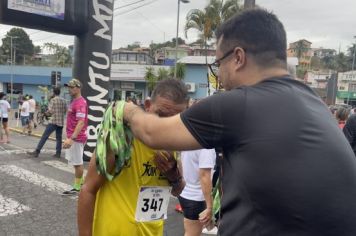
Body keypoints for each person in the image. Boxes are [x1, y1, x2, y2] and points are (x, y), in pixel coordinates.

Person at [122, 9, 356, 235]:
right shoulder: (315, 103)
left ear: (238, 58)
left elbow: (152, 133)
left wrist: (127, 109)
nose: (220, 76)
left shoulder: (238, 104)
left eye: (218, 64)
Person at [78, 79, 188, 236]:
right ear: (148, 105)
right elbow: (88, 189)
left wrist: (173, 175)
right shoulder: (121, 137)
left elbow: (178, 190)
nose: (166, 124)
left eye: (174, 119)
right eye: (161, 115)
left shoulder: (172, 142)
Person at [179, 148, 216, 236]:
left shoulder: (189, 141)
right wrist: (209, 207)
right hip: (196, 197)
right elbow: (204, 176)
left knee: (191, 230)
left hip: (186, 192)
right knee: (192, 233)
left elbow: (180, 162)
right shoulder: (206, 147)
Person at [61, 79, 88, 195]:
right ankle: (81, 183)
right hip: (73, 136)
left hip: (76, 138)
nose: (69, 89)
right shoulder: (74, 101)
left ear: (78, 88)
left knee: (78, 163)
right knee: (75, 162)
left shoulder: (80, 102)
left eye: (72, 87)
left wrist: (72, 138)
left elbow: (81, 122)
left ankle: (77, 188)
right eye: (69, 87)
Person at [27, 87, 67, 158]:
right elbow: (65, 111)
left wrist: (45, 114)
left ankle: (37, 151)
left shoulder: (53, 100)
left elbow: (50, 111)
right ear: (59, 92)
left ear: (54, 93)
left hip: (53, 121)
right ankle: (58, 153)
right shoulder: (64, 100)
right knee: (59, 138)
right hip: (60, 121)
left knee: (44, 136)